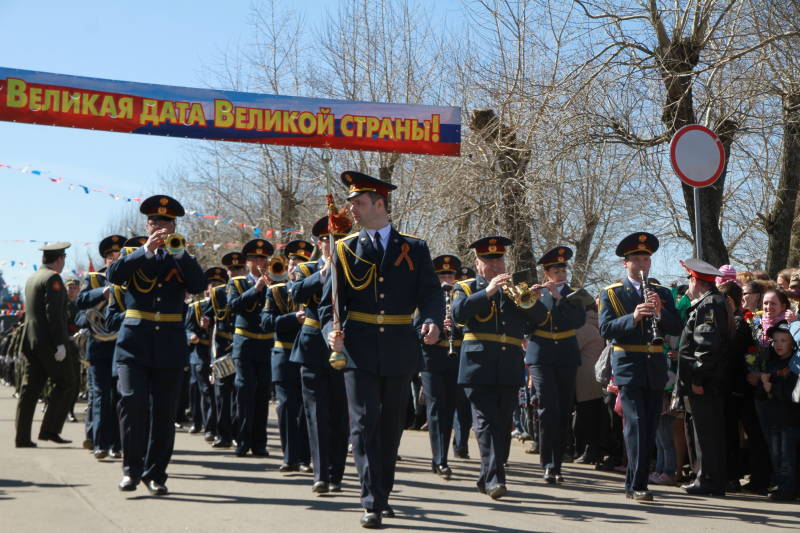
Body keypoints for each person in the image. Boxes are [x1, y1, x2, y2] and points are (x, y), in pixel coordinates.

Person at [320, 171, 443, 529]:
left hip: (400, 346)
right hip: (358, 349)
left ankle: (382, 492)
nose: (352, 210)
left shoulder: (415, 248)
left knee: (391, 426)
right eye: (351, 203)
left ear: (379, 204)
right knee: (363, 425)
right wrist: (331, 332)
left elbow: (430, 293)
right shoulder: (344, 248)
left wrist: (432, 319)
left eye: (359, 203)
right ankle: (371, 500)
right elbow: (328, 306)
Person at [107, 195, 205, 495]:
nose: (160, 227)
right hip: (133, 345)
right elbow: (114, 276)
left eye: (166, 222)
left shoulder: (181, 254)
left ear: (174, 226)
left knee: (164, 413)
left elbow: (198, 285)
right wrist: (146, 250)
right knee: (132, 403)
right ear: (147, 225)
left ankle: (156, 474)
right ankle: (131, 470)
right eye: (155, 222)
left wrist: (181, 256)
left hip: (169, 345)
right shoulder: (132, 253)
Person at [451, 235, 538, 500]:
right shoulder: (466, 287)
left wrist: (533, 301)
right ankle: (495, 480)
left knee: (501, 426)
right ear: (477, 263)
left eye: (499, 260)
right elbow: (458, 315)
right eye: (489, 261)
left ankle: (486, 476)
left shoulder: (515, 290)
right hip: (477, 366)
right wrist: (488, 291)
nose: (496, 266)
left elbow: (537, 321)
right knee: (485, 423)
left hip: (509, 365)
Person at [598, 232, 682, 502]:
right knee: (635, 424)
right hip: (628, 365)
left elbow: (677, 327)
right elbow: (606, 329)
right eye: (637, 259)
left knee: (649, 426)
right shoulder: (612, 293)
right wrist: (633, 317)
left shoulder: (662, 292)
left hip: (654, 366)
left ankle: (634, 482)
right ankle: (638, 484)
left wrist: (660, 312)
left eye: (646, 259)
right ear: (626, 263)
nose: (643, 264)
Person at [289, 215, 352, 494]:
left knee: (340, 414)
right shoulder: (306, 268)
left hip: (344, 345)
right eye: (328, 240)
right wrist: (324, 273)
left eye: (339, 240)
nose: (333, 245)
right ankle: (320, 474)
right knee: (316, 414)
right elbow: (296, 293)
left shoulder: (354, 268)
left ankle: (337, 473)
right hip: (313, 346)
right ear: (319, 243)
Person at [526, 246, 586, 483]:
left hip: (566, 355)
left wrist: (559, 298)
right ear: (546, 273)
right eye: (555, 271)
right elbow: (528, 324)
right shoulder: (537, 293)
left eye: (563, 270)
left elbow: (578, 321)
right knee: (547, 407)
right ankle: (548, 463)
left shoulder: (574, 295)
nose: (561, 275)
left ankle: (558, 463)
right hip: (541, 354)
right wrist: (533, 300)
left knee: (562, 409)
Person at [677, 258, 731, 496]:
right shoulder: (713, 302)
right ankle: (712, 479)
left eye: (689, 278)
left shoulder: (709, 305)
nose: (688, 283)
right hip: (710, 381)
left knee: (706, 433)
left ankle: (708, 479)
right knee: (708, 432)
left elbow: (706, 346)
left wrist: (698, 379)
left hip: (705, 383)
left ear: (696, 280)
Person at [15, 242, 77, 447]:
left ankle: (22, 437)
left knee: (30, 390)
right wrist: (60, 344)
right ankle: (50, 430)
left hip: (31, 341)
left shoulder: (33, 277)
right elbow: (54, 314)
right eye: (63, 259)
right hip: (48, 343)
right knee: (67, 382)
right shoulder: (52, 278)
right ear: (59, 259)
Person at [264, 242, 311, 473]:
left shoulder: (314, 289)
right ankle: (289, 457)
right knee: (286, 408)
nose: (295, 267)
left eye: (301, 264)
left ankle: (305, 458)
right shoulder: (276, 291)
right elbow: (266, 323)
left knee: (306, 409)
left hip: (309, 356)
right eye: (293, 263)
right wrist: (293, 318)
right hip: (283, 355)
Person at [76, 234, 125, 460]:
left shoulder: (132, 279)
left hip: (122, 346)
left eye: (119, 256)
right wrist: (101, 294)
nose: (114, 260)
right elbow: (80, 308)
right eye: (110, 257)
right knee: (101, 396)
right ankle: (100, 443)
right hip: (98, 347)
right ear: (105, 260)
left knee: (119, 396)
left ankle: (117, 444)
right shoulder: (95, 280)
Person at [228, 238, 275, 458]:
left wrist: (273, 285)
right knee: (245, 391)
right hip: (245, 343)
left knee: (263, 393)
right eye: (255, 258)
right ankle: (242, 440)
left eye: (263, 258)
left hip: (266, 343)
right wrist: (255, 289)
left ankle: (259, 443)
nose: (259, 262)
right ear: (247, 262)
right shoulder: (237, 283)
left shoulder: (275, 281)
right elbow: (233, 306)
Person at [419, 254, 463, 480]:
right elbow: (414, 326)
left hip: (455, 357)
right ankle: (440, 460)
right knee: (436, 407)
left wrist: (455, 327)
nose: (446, 279)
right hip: (431, 357)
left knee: (449, 408)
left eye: (450, 275)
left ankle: (442, 455)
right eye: (441, 275)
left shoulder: (462, 297)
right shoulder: (425, 298)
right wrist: (429, 331)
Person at [757, 321, 800, 501]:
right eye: (775, 341)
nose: (779, 344)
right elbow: (761, 392)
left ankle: (788, 487)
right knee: (776, 454)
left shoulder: (795, 365)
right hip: (774, 417)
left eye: (783, 340)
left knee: (787, 455)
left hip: (790, 418)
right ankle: (780, 484)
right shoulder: (771, 363)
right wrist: (762, 383)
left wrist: (770, 387)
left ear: (792, 344)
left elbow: (791, 393)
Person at [186, 267, 228, 443]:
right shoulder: (196, 307)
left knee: (222, 392)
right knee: (205, 391)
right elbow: (186, 328)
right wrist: (192, 335)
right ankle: (208, 428)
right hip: (201, 353)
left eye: (219, 284)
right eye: (212, 284)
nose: (215, 287)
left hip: (221, 352)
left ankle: (223, 430)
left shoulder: (227, 305)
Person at [205, 252, 242, 448]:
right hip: (222, 347)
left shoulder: (247, 288)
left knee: (239, 393)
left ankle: (237, 434)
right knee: (221, 394)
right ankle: (223, 435)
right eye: (231, 269)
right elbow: (208, 316)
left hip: (241, 347)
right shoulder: (218, 293)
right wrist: (205, 320)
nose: (234, 272)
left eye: (238, 268)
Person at [452, 264, 475, 459]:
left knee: (464, 403)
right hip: (445, 356)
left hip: (466, 353)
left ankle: (461, 443)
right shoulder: (443, 297)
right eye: (458, 279)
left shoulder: (472, 299)